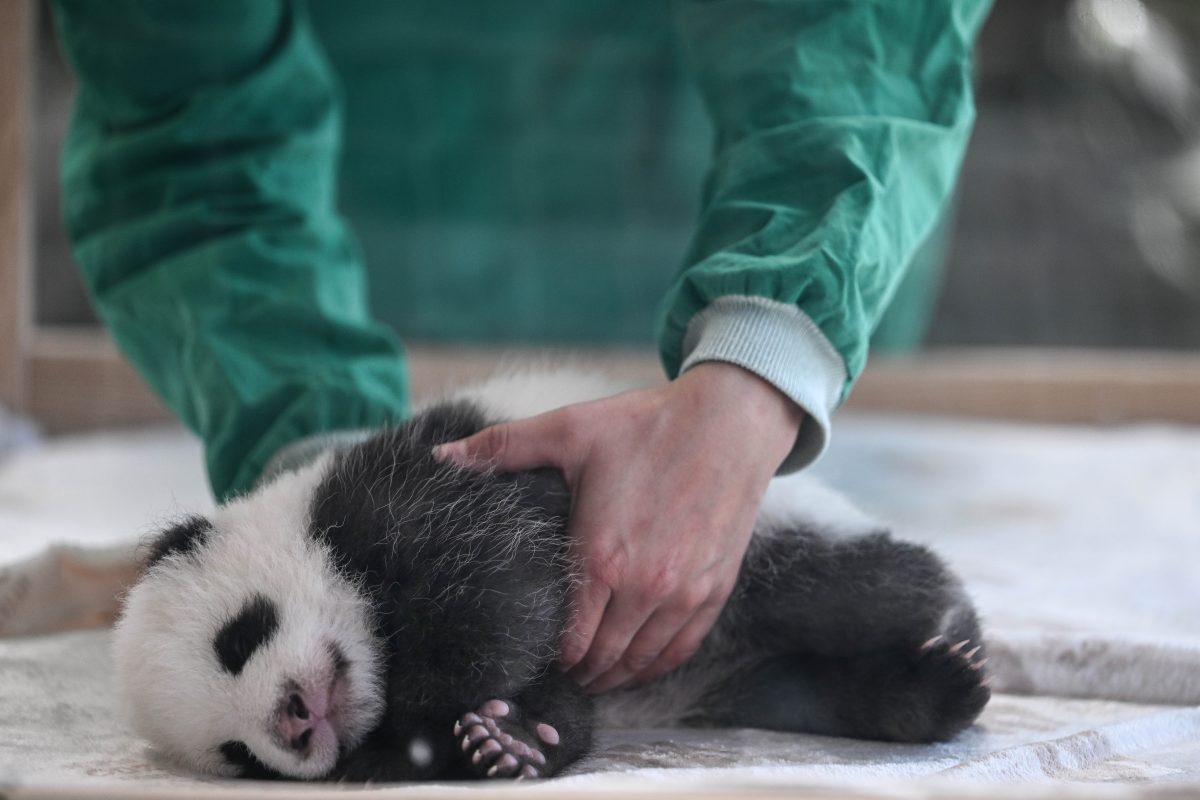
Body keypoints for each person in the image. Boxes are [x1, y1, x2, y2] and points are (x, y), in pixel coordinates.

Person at [51, 0, 992, 695]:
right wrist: (315, 462)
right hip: (377, 192)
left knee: (819, 605)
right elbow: (188, 112)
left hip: (757, 196)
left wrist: (759, 366)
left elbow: (855, 32)